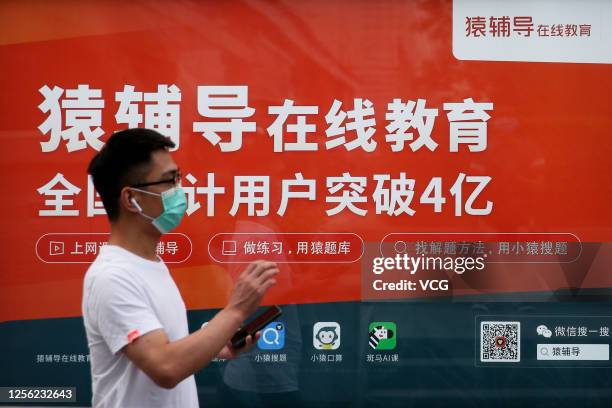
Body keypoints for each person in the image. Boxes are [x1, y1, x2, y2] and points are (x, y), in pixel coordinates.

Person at [82, 128, 279, 407]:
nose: (179, 191)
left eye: (178, 178)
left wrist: (216, 343)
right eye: (169, 181)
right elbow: (165, 367)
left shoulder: (150, 264)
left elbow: (167, 349)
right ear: (130, 199)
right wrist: (235, 312)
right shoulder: (112, 277)